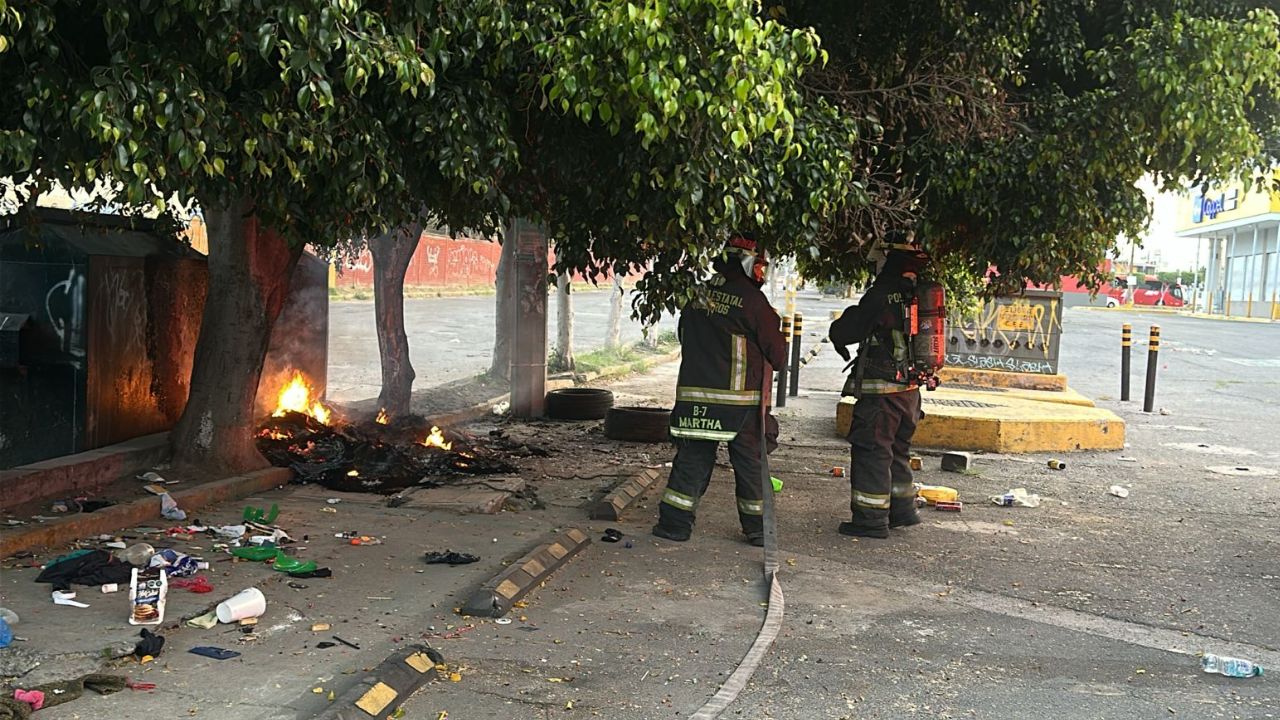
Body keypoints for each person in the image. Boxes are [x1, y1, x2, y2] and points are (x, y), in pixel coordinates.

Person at [653, 235, 788, 546]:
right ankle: (757, 529)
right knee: (750, 463)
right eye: (760, 265)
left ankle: (674, 525)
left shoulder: (697, 296)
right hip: (738, 403)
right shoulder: (753, 302)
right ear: (749, 264)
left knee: (692, 459)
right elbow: (778, 356)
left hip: (694, 399)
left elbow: (684, 336)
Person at [829, 235, 932, 538]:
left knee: (872, 451)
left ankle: (870, 520)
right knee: (897, 450)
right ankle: (902, 511)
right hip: (909, 393)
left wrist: (840, 325)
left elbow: (848, 330)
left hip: (882, 393)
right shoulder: (918, 293)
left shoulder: (883, 294)